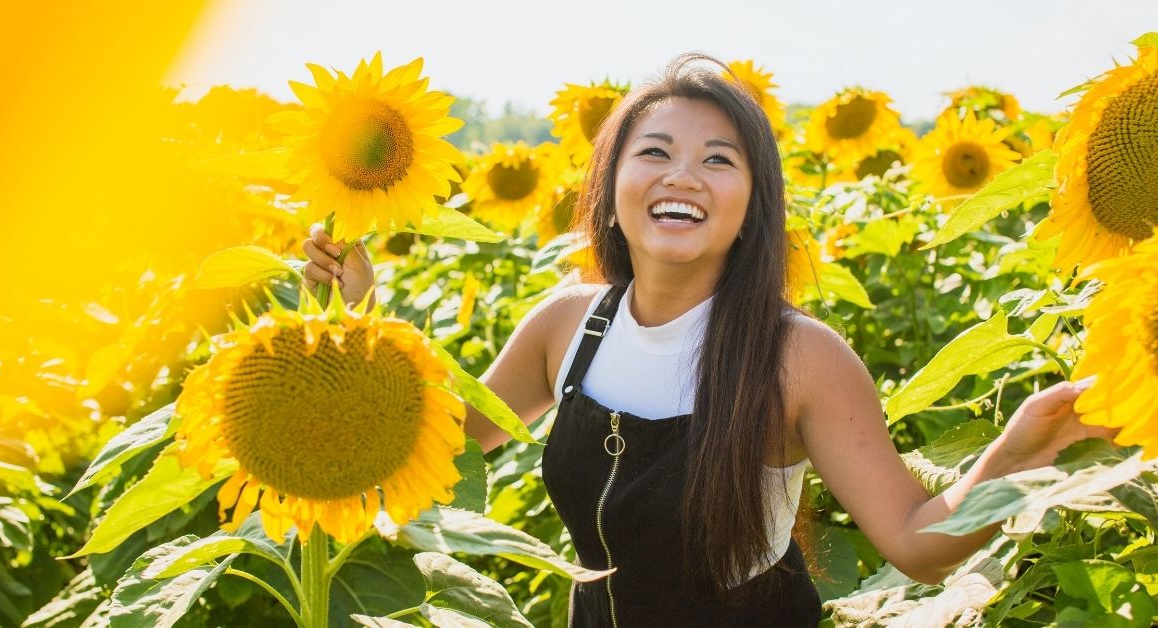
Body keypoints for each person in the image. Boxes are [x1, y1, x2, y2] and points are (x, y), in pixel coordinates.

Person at [303, 54, 1112, 626]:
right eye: (653, 152)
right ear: (610, 193)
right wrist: (358, 316)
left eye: (718, 161)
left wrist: (1016, 450)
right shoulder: (566, 325)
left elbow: (914, 543)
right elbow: (435, 450)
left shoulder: (798, 356)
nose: (682, 175)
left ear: (751, 208)